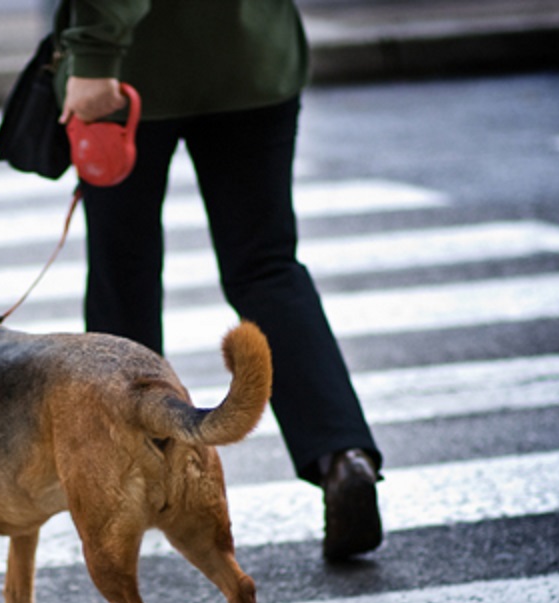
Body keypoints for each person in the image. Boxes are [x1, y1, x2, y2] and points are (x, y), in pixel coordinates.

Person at [52, 0, 383, 561]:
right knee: (268, 267)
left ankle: (130, 481)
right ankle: (341, 454)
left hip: (131, 74)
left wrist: (93, 53)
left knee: (123, 271)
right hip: (254, 60)